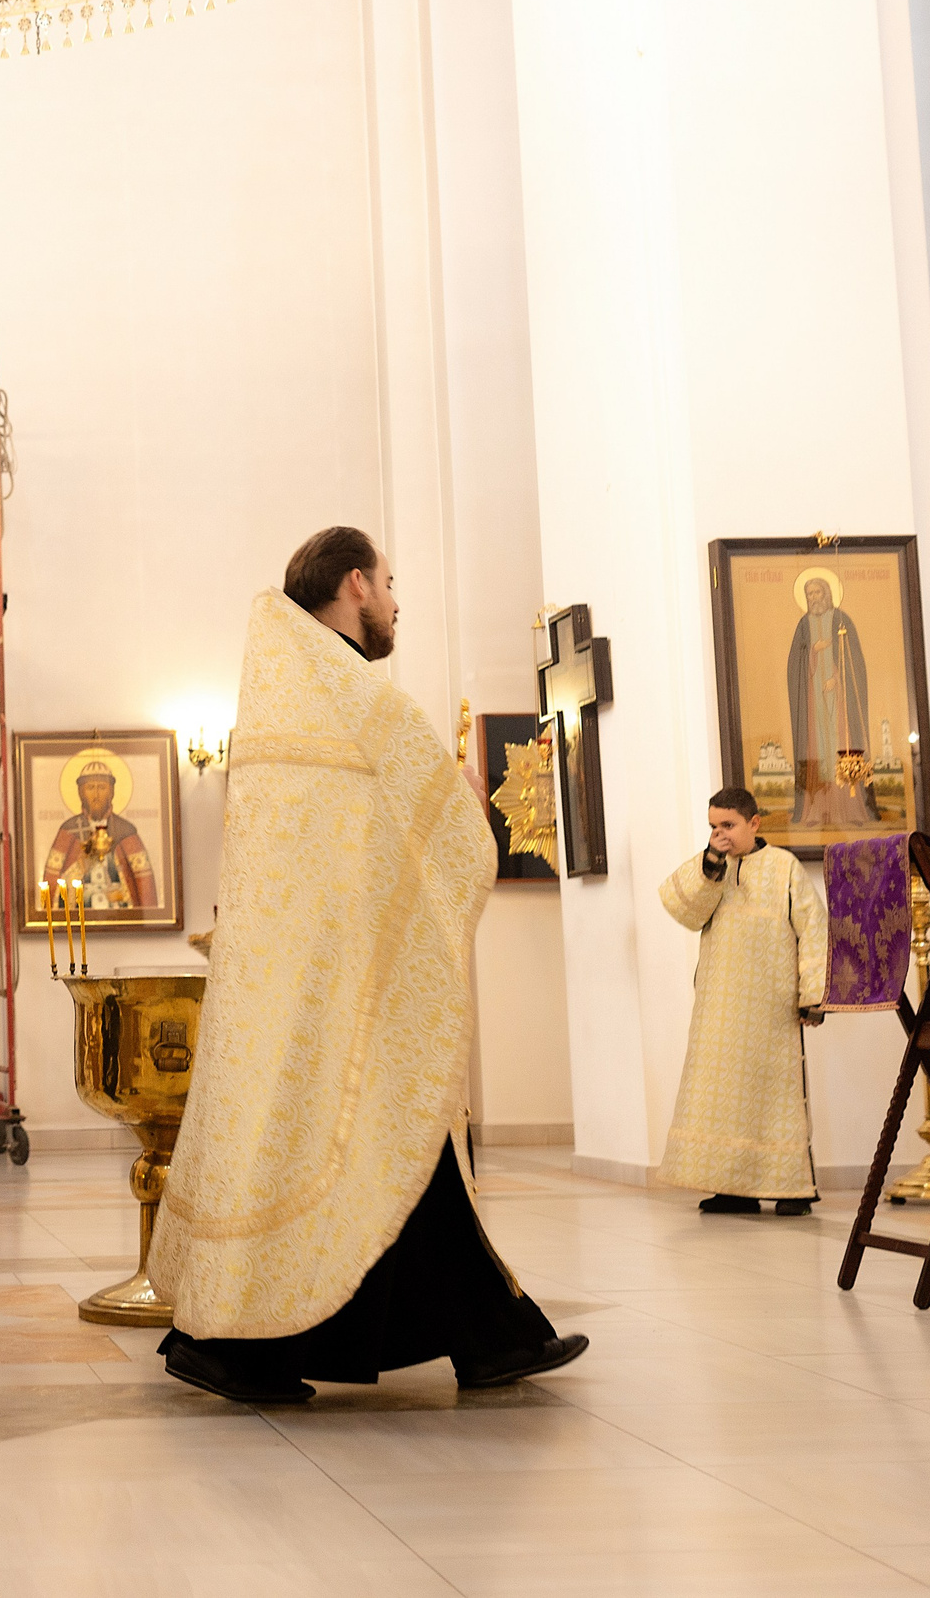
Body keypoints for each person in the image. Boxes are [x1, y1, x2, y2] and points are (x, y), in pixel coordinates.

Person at [150, 527, 585, 1404]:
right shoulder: (357, 694)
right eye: (389, 582)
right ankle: (234, 1346)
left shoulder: (289, 694)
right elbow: (446, 822)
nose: (395, 601)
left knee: (379, 1149)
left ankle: (484, 1335)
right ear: (355, 583)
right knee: (377, 1140)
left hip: (317, 970)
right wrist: (463, 808)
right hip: (352, 977)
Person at [656, 788, 827, 1217]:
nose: (720, 834)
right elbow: (685, 911)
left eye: (728, 825)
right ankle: (733, 1188)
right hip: (719, 1004)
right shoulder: (711, 868)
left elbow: (813, 930)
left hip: (771, 1006)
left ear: (754, 823)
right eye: (713, 826)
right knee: (721, 1101)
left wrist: (813, 994)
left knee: (776, 1098)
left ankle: (791, 1190)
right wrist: (711, 864)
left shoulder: (784, 867)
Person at [786, 572, 874, 826]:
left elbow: (853, 659)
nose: (814, 598)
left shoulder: (841, 619)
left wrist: (838, 679)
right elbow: (795, 663)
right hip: (814, 700)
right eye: (809, 594)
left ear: (827, 593)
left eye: (817, 592)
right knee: (818, 749)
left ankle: (849, 809)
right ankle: (817, 811)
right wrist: (812, 652)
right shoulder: (803, 625)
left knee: (840, 744)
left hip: (839, 699)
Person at [41, 749, 158, 911]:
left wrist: (121, 895)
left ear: (112, 792)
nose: (96, 795)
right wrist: (80, 867)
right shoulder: (68, 832)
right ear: (81, 793)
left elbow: (144, 887)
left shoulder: (126, 832)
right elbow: (51, 885)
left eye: (102, 788)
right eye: (90, 788)